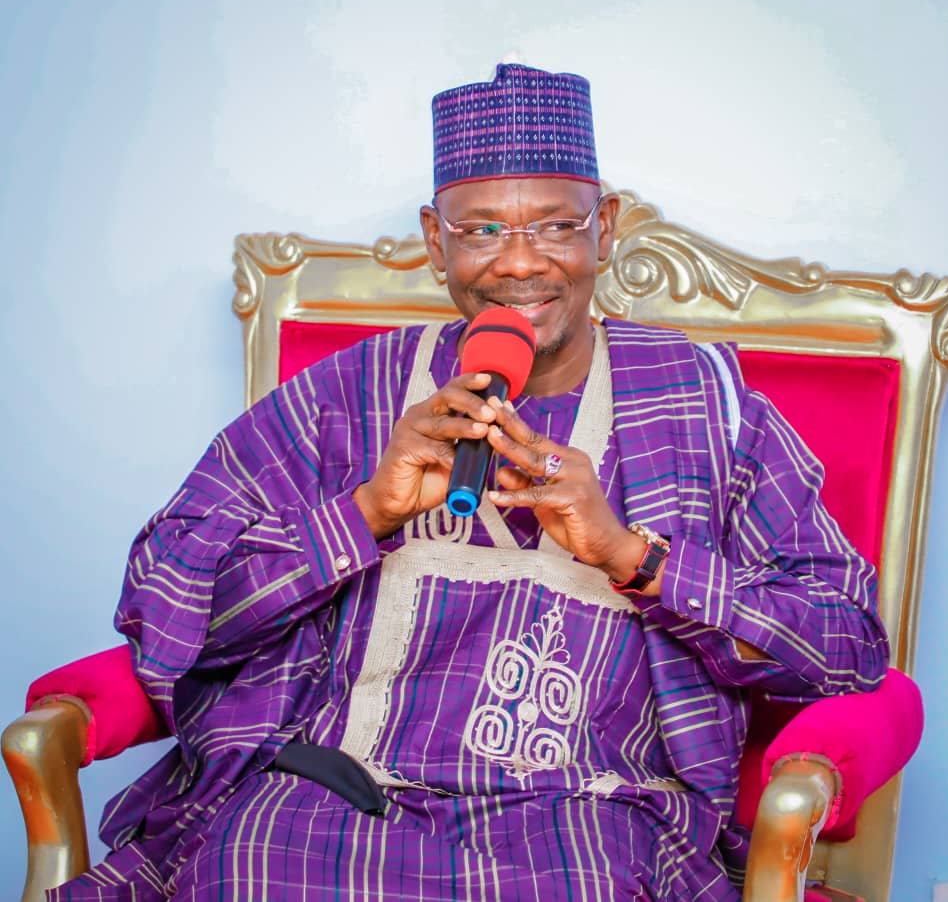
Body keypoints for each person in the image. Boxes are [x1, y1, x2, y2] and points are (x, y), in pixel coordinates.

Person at [55, 63, 889, 901]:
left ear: (604, 229)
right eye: (482, 230)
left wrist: (632, 555)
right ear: (435, 240)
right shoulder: (345, 394)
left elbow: (845, 648)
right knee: (245, 872)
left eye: (556, 226)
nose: (519, 264)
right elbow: (167, 608)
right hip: (334, 791)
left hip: (587, 813)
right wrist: (363, 513)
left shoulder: (708, 407)